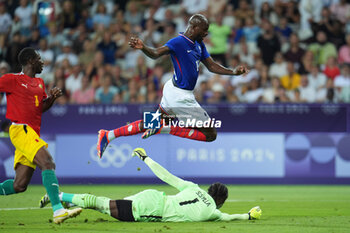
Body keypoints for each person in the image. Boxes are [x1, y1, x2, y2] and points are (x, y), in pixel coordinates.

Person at [97, 14, 248, 158]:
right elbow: (156, 53)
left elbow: (211, 66)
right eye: (204, 29)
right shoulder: (178, 42)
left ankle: (109, 135)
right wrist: (143, 47)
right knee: (210, 134)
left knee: (150, 123)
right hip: (180, 97)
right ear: (194, 27)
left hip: (174, 90)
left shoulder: (199, 44)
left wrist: (233, 72)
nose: (206, 33)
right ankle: (164, 128)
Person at [40, 148, 262, 222]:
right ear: (220, 200)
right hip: (151, 210)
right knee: (99, 204)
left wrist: (147, 159)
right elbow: (231, 217)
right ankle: (59, 197)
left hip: (153, 196)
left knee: (101, 205)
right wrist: (248, 216)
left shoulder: (193, 187)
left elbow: (167, 176)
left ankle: (58, 197)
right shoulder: (212, 212)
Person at [0, 47, 82, 224]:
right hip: (20, 130)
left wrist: (51, 99)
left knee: (19, 185)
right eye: (39, 58)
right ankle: (58, 210)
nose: (42, 62)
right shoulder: (12, 79)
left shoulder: (40, 83)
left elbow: (40, 108)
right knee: (48, 162)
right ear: (30, 61)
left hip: (31, 133)